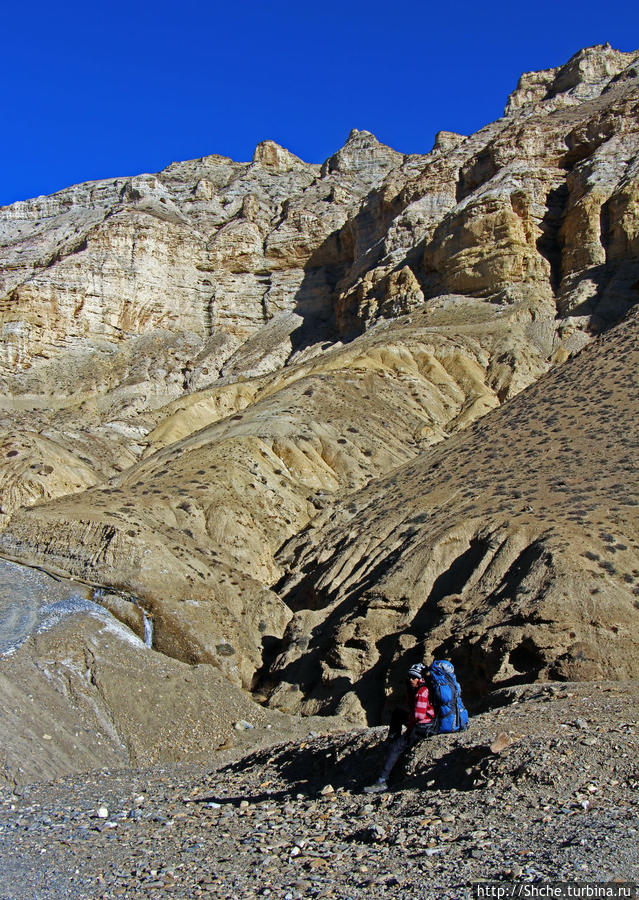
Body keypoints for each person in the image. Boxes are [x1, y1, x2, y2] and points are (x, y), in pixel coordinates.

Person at [364, 663, 438, 793]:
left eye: (413, 677)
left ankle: (382, 781)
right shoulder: (419, 689)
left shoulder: (422, 691)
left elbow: (419, 715)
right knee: (398, 713)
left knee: (395, 748)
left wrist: (410, 725)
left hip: (423, 727)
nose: (410, 679)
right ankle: (393, 737)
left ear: (420, 679)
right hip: (424, 723)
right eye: (409, 677)